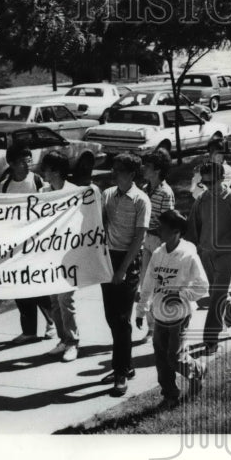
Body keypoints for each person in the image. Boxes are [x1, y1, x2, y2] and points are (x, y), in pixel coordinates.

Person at [136, 209, 209, 408]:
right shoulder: (158, 253)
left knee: (174, 357)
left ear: (176, 231)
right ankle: (170, 395)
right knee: (160, 358)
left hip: (180, 315)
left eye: (164, 228)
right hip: (159, 315)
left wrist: (180, 295)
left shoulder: (188, 255)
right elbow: (148, 283)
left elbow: (203, 285)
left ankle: (197, 370)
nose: (160, 231)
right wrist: (141, 310)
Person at [187, 160, 231, 351]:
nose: (208, 187)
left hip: (226, 255)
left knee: (216, 296)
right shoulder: (202, 200)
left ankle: (211, 339)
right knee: (217, 293)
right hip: (205, 254)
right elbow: (193, 227)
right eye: (205, 183)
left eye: (212, 182)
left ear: (222, 178)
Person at [101, 152, 151, 396]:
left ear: (131, 174)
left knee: (122, 319)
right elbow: (98, 225)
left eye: (119, 169)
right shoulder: (107, 194)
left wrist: (122, 269)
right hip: (107, 259)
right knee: (111, 317)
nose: (114, 173)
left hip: (128, 261)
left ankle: (120, 373)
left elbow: (139, 237)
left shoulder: (141, 200)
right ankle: (126, 364)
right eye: (114, 168)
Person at [0, 144, 55, 343]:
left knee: (38, 286)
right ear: (12, 164)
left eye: (29, 159)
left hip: (37, 244)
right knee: (20, 289)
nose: (27, 163)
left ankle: (52, 322)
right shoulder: (5, 185)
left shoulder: (38, 181)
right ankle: (29, 330)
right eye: (23, 160)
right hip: (15, 246)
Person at [39, 151, 81, 362]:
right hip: (50, 254)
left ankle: (73, 342)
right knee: (54, 300)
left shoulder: (74, 193)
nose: (42, 172)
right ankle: (63, 339)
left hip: (68, 255)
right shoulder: (44, 192)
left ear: (56, 171)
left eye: (45, 169)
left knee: (66, 299)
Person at [140, 148, 176, 335]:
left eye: (148, 166)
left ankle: (162, 323)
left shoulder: (165, 192)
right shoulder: (145, 189)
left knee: (159, 285)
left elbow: (168, 222)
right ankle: (152, 326)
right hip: (146, 241)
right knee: (145, 284)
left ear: (158, 170)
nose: (144, 169)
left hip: (159, 241)